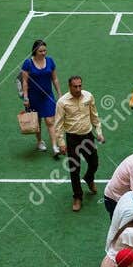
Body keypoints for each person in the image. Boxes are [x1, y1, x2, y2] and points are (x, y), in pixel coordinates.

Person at [57, 75, 103, 211]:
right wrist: (61, 142)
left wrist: (99, 132)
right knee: (74, 169)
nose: (78, 89)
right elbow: (58, 124)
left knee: (94, 163)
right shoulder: (62, 102)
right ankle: (77, 197)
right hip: (72, 138)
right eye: (75, 86)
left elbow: (94, 116)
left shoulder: (88, 97)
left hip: (88, 136)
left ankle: (89, 178)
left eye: (80, 86)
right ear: (69, 87)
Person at [19, 39, 61, 156]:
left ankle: (54, 146)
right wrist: (26, 98)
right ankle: (39, 141)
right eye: (41, 51)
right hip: (33, 98)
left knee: (50, 120)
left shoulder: (50, 61)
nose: (43, 53)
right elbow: (25, 82)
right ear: (35, 51)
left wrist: (59, 94)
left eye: (45, 51)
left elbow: (55, 79)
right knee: (37, 122)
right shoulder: (28, 63)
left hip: (47, 96)